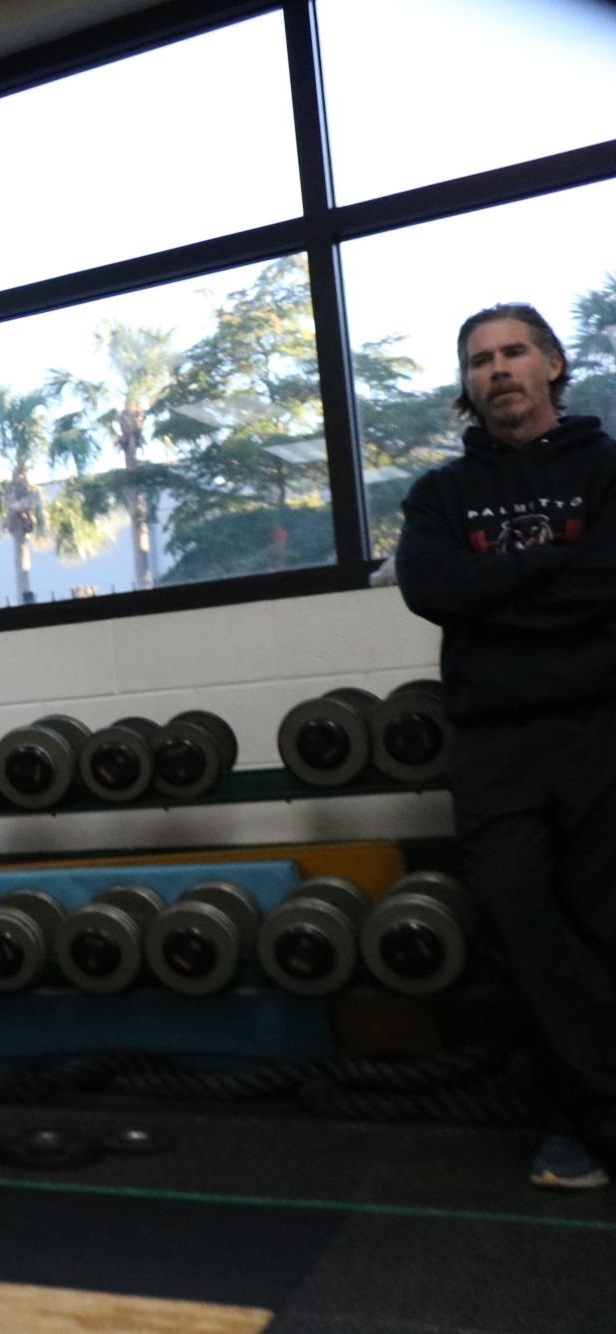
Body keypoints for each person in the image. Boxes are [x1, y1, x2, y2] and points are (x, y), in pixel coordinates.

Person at [394, 301, 616, 1191]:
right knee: (522, 928)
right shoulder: (437, 497)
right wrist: (548, 576)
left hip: (602, 729)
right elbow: (430, 584)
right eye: (479, 359)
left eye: (514, 351)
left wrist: (496, 600)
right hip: (495, 746)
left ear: (552, 364)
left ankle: (577, 1126)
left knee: (604, 928)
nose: (497, 369)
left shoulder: (606, 471)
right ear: (466, 386)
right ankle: (596, 1116)